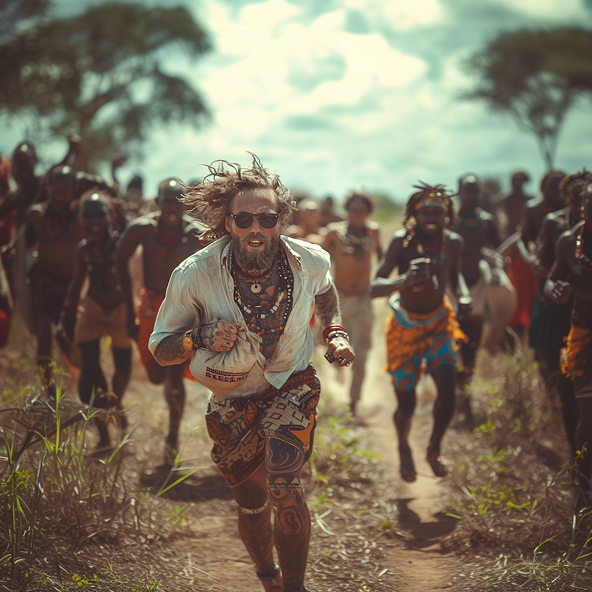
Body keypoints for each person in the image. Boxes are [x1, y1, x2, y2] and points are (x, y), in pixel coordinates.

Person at [149, 155, 355, 592]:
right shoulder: (194, 274)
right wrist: (199, 336)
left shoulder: (310, 260)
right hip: (231, 397)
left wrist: (334, 331)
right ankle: (267, 577)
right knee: (252, 502)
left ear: (281, 220)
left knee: (283, 484)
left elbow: (325, 292)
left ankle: (295, 587)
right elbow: (161, 350)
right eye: (244, 219)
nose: (255, 227)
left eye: (267, 218)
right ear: (228, 223)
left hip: (291, 384)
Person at [370, 183, 471, 482]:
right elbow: (374, 287)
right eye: (425, 211)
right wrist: (404, 280)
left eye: (438, 212)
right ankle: (403, 447)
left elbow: (456, 276)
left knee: (449, 392)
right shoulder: (401, 242)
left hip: (439, 324)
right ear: (415, 213)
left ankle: (433, 450)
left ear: (447, 215)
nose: (431, 217)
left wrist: (464, 295)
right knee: (407, 404)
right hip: (404, 327)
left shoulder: (453, 242)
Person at [116, 178, 203, 463]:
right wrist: (128, 311)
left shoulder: (195, 234)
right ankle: (169, 386)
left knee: (174, 375)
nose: (172, 207)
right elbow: (119, 259)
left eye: (178, 201)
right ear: (158, 202)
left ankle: (172, 436)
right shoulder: (142, 230)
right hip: (150, 308)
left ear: (185, 204)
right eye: (167, 200)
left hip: (182, 310)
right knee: (155, 375)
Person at [56, 192, 131, 452]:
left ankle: (116, 402)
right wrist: (65, 317)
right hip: (93, 309)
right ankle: (103, 435)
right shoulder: (84, 250)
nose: (94, 221)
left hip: (120, 309)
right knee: (89, 370)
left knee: (123, 371)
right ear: (80, 219)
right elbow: (76, 284)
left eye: (100, 214)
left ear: (111, 216)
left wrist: (134, 315)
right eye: (88, 216)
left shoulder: (122, 244)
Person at [531, 173, 588, 456]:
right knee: (569, 392)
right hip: (565, 318)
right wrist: (554, 289)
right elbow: (546, 272)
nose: (581, 198)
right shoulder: (560, 230)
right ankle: (577, 462)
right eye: (578, 194)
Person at [452, 175, 516, 423]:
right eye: (468, 190)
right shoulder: (449, 220)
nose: (472, 195)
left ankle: (465, 401)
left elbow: (499, 244)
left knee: (471, 347)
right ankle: (451, 397)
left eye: (475, 191)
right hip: (451, 288)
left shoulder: (486, 220)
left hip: (479, 290)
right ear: (459, 192)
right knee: (450, 346)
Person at [545, 181, 592, 506]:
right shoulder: (568, 241)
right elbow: (551, 279)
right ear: (581, 208)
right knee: (587, 414)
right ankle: (583, 490)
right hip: (584, 334)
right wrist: (555, 290)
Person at [322, 191, 382, 416]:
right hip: (338, 300)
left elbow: (384, 259)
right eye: (354, 210)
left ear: (368, 212)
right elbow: (319, 258)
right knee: (331, 343)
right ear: (346, 211)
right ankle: (338, 368)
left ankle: (354, 402)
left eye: (362, 211)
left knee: (361, 353)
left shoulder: (374, 232)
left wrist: (382, 284)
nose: (358, 214)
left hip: (363, 300)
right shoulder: (334, 233)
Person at [24, 165, 82, 390]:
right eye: (55, 191)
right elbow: (24, 239)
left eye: (65, 192)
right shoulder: (36, 215)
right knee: (44, 337)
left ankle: (81, 383)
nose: (60, 197)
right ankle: (48, 388)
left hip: (69, 287)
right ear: (48, 188)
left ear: (74, 191)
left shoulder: (80, 219)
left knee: (67, 338)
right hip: (44, 285)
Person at [498, 171, 538, 338]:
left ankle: (525, 327)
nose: (518, 183)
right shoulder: (505, 199)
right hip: (510, 249)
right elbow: (501, 218)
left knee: (526, 290)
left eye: (521, 180)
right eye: (515, 180)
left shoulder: (530, 200)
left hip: (525, 247)